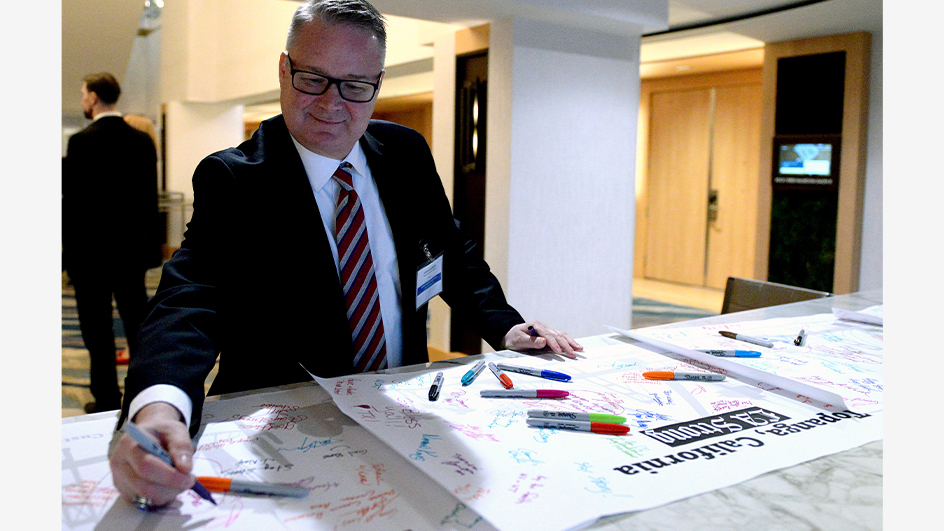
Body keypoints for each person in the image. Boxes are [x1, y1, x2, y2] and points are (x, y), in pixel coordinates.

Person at [109, 0, 582, 509]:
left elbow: (453, 253)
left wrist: (505, 326)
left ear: (377, 83)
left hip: (402, 415)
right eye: (313, 78)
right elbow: (189, 299)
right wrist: (160, 405)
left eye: (356, 87)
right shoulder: (235, 179)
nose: (332, 104)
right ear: (284, 68)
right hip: (291, 432)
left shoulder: (405, 153)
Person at [63, 72, 162, 414]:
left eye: (83, 95)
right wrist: (152, 251)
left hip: (89, 255)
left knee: (97, 330)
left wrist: (67, 257)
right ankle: (141, 391)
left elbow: (72, 207)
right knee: (138, 323)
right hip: (130, 253)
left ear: (92, 98)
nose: (82, 101)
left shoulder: (80, 142)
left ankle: (105, 397)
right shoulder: (141, 141)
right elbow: (151, 200)